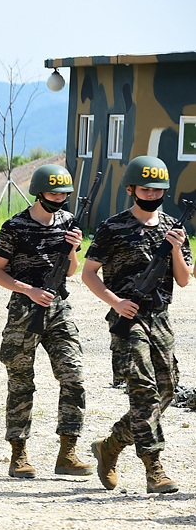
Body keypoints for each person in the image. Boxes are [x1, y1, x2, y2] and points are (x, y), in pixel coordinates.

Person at [82, 155, 191, 494]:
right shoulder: (112, 227)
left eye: (158, 189)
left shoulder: (174, 227)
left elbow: (185, 279)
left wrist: (175, 249)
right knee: (143, 393)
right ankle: (154, 468)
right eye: (145, 188)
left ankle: (110, 445)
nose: (152, 194)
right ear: (131, 189)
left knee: (167, 391)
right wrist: (116, 302)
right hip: (127, 320)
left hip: (160, 318)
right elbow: (89, 274)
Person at [0, 164, 91, 478]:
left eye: (64, 194)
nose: (59, 198)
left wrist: (73, 248)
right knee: (21, 383)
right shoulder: (15, 226)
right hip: (24, 310)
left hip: (59, 310)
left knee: (74, 377)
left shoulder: (68, 223)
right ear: (38, 192)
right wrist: (28, 290)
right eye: (53, 192)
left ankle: (68, 453)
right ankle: (18, 455)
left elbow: (71, 270)